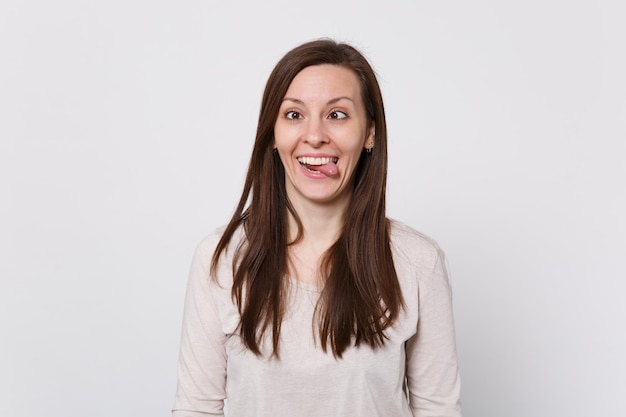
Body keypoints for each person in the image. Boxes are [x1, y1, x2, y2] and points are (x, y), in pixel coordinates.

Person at [172, 39, 462, 417]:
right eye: (294, 115)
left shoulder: (419, 262)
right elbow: (196, 408)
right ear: (273, 135)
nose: (314, 135)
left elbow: (438, 410)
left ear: (370, 133)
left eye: (337, 115)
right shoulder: (221, 258)